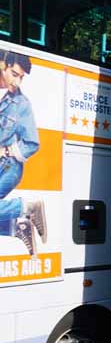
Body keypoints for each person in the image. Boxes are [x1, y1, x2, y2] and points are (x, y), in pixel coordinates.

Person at [0, 52, 46, 256]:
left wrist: (7, 150)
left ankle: (27, 206)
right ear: (3, 65)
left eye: (21, 77)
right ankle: (17, 227)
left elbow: (32, 143)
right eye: (14, 74)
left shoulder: (21, 104)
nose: (17, 82)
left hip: (8, 166)